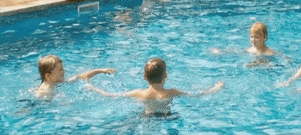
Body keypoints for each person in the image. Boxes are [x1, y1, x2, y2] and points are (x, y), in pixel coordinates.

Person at [85, 57, 224, 115]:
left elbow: (111, 95)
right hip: (168, 116)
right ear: (165, 76)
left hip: (147, 117)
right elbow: (198, 94)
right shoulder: (171, 92)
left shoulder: (139, 93)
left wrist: (92, 87)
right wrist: (216, 88)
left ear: (145, 77)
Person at [35, 54, 115, 99]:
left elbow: (79, 77)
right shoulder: (45, 92)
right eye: (60, 70)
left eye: (62, 69)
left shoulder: (55, 81)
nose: (63, 71)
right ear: (48, 76)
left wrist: (98, 71)